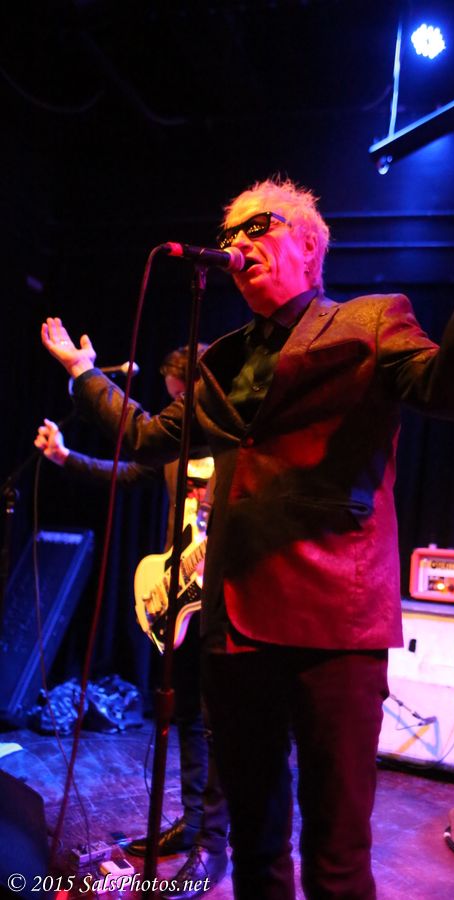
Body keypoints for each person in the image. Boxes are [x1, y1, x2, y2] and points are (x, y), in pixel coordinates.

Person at [41, 105, 454, 899]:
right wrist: (83, 373)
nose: (240, 243)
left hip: (334, 626)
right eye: (232, 233)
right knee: (255, 845)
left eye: (261, 226)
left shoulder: (370, 320)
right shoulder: (218, 359)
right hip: (235, 624)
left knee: (337, 856)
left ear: (311, 247)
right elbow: (146, 437)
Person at [34, 347, 229, 895]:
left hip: (227, 595)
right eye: (171, 399)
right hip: (181, 595)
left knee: (217, 719)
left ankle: (214, 843)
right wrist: (65, 458)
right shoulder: (174, 449)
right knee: (185, 714)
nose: (176, 409)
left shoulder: (237, 447)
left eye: (182, 397)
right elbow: (127, 472)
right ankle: (192, 821)